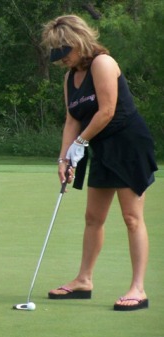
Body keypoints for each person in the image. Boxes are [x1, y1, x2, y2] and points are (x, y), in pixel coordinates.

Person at [41, 15, 158, 311]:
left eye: (64, 52)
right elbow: (72, 119)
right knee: (93, 217)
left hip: (129, 143)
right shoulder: (70, 78)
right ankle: (84, 280)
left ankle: (138, 289)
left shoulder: (102, 63)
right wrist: (64, 157)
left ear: (79, 42)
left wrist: (81, 144)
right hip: (102, 146)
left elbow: (106, 111)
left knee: (132, 217)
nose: (62, 59)